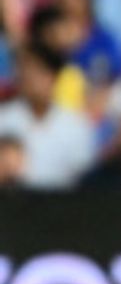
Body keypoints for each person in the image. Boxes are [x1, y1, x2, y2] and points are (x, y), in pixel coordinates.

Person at [0, 44, 96, 189]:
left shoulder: (76, 124)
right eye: (27, 72)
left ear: (54, 77)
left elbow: (85, 177)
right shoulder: (4, 119)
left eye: (40, 72)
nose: (33, 79)